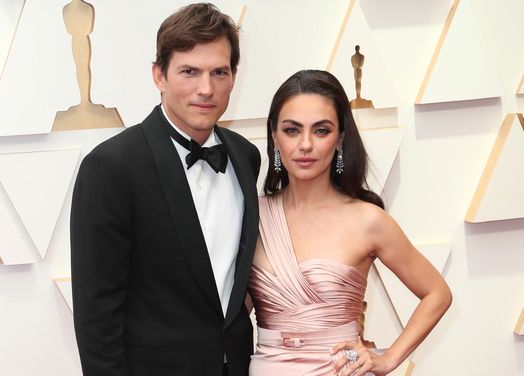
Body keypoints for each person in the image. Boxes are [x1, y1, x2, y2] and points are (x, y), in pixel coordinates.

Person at [70, 3, 260, 376]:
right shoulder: (111, 167)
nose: (206, 89)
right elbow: (96, 316)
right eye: (189, 71)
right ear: (159, 75)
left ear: (234, 77)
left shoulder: (245, 156)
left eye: (219, 72)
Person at [246, 70, 451, 376]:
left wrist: (387, 358)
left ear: (340, 139)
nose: (305, 145)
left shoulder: (367, 220)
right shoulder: (252, 216)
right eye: (291, 130)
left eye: (321, 130)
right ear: (274, 137)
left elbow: (438, 293)